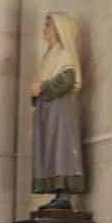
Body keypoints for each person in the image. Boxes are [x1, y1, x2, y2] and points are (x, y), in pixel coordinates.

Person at [31, 12, 85, 210]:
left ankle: (64, 194)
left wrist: (42, 87)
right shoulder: (49, 55)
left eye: (48, 25)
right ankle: (57, 192)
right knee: (49, 149)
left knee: (61, 149)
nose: (45, 30)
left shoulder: (65, 53)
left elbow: (68, 79)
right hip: (47, 109)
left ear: (59, 29)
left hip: (61, 110)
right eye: (45, 25)